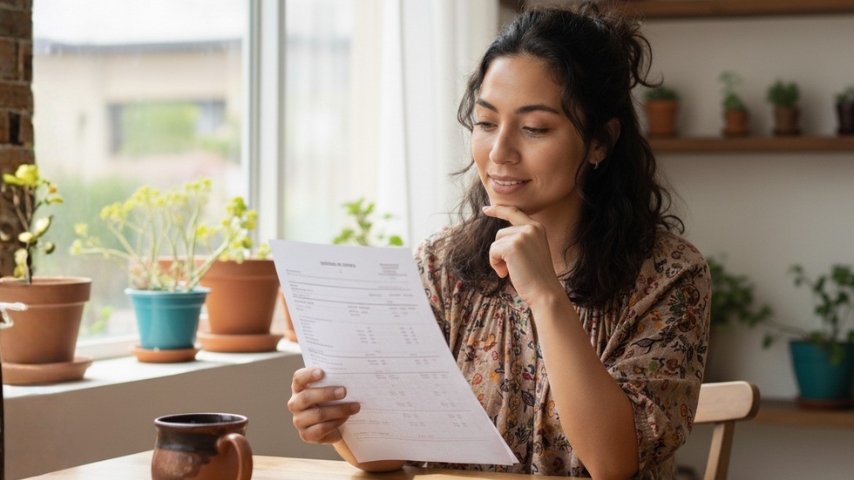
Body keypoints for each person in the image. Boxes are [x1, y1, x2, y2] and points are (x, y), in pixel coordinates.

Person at [288, 3, 710, 479]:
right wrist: (339, 424)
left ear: (600, 142)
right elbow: (389, 453)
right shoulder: (440, 265)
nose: (500, 152)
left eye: (534, 128)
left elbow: (612, 463)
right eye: (487, 123)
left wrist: (546, 295)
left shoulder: (670, 276)